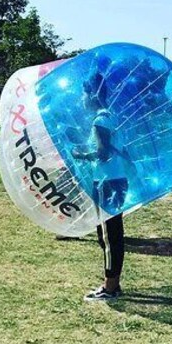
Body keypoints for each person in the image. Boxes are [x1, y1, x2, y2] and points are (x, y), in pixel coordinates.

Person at [72, 69, 128, 302]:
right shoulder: (109, 115)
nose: (82, 99)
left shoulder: (100, 120)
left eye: (84, 94)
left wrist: (81, 155)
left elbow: (103, 154)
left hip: (107, 181)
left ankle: (110, 287)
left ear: (93, 95)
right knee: (112, 234)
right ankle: (112, 283)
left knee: (108, 236)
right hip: (114, 179)